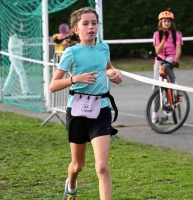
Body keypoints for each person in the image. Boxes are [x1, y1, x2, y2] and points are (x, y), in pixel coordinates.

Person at [49, 7, 122, 200]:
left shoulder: (103, 48)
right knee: (78, 165)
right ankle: (71, 186)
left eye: (94, 23)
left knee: (102, 166)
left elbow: (106, 68)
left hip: (101, 110)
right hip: (78, 112)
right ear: (76, 29)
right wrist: (75, 79)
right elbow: (53, 85)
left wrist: (114, 73)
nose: (91, 27)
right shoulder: (71, 53)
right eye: (86, 24)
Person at [152, 9, 183, 123]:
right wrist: (164, 39)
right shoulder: (157, 34)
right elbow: (157, 50)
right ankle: (155, 114)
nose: (167, 23)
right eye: (164, 21)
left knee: (166, 65)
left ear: (172, 23)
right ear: (161, 22)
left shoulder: (177, 34)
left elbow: (178, 49)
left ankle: (175, 86)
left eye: (169, 21)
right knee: (156, 87)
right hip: (159, 59)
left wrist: (176, 59)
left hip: (170, 57)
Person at [2, 21, 30, 96]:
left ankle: (5, 90)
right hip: (14, 57)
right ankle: (25, 92)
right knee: (22, 73)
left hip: (18, 57)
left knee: (12, 74)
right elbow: (11, 48)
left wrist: (22, 58)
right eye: (21, 25)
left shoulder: (18, 36)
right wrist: (21, 44)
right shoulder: (13, 36)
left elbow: (20, 49)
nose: (22, 27)